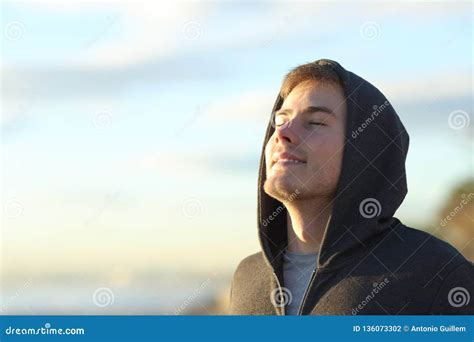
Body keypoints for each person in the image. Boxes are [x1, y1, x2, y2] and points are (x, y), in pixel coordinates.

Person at [228, 59, 474, 315]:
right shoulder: (247, 279)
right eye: (280, 120)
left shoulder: (435, 275)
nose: (281, 133)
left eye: (315, 123)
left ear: (366, 152)